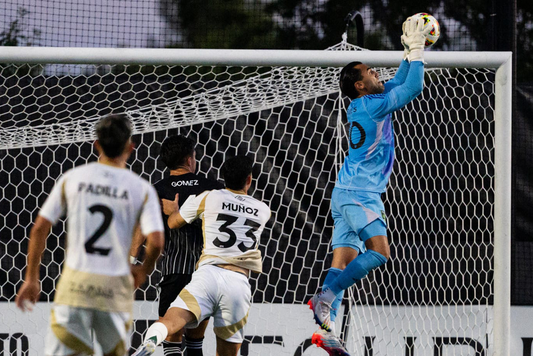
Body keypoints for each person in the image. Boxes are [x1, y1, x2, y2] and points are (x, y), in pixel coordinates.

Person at [308, 17, 431, 356]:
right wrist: (419, 49)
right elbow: (414, 88)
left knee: (342, 263)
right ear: (360, 85)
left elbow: (402, 81)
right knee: (379, 252)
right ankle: (325, 298)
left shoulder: (364, 103)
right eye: (371, 73)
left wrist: (408, 52)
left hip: (346, 194)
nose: (378, 74)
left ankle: (326, 330)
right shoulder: (373, 107)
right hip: (359, 195)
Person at [15, 114, 165, 356]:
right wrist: (142, 270)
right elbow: (157, 242)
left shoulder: (74, 178)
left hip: (76, 287)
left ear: (96, 144)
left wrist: (32, 278)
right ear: (130, 147)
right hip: (114, 289)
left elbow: (39, 228)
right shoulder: (141, 188)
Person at [131, 155, 271, 356]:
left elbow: (173, 223)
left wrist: (174, 211)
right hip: (237, 284)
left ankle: (152, 339)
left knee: (169, 322)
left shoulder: (209, 197)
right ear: (249, 180)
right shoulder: (263, 210)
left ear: (223, 178)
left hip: (207, 276)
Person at [130, 135, 223, 356]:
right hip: (206, 272)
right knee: (196, 339)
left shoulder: (156, 191)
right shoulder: (212, 188)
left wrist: (130, 263)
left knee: (172, 335)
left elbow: (141, 231)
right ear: (190, 159)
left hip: (174, 271)